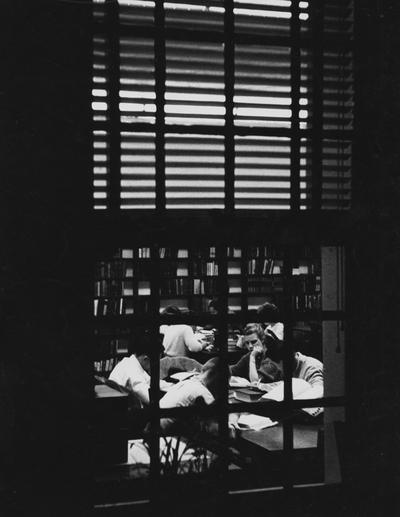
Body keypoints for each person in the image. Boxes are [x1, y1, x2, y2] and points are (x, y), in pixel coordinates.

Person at [159, 357, 229, 433]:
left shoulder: (186, 382)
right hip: (167, 437)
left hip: (155, 430)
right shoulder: (204, 393)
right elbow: (215, 429)